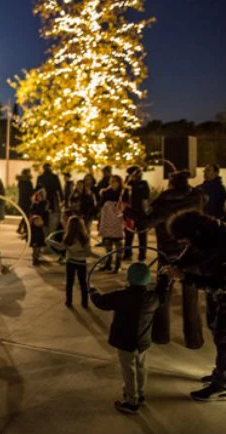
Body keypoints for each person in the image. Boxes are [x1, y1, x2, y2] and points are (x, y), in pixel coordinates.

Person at [130, 170, 206, 347]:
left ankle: (161, 336)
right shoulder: (197, 197)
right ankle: (194, 340)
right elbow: (205, 199)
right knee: (191, 298)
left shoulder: (164, 203)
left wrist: (128, 211)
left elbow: (144, 224)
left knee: (163, 295)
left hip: (168, 254)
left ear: (171, 184)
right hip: (192, 252)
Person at [90, 262, 170, 414]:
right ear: (147, 279)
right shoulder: (152, 298)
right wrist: (165, 276)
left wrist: (93, 291)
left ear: (128, 278)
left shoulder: (121, 296)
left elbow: (101, 302)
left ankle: (131, 401)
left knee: (128, 370)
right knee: (141, 367)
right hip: (143, 341)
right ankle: (140, 394)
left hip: (125, 341)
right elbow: (162, 291)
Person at [166, 210, 226, 401]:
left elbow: (220, 282)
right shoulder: (205, 235)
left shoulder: (221, 243)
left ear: (195, 234)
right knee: (217, 331)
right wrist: (177, 264)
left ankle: (222, 384)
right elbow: (190, 252)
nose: (183, 244)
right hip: (218, 296)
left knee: (225, 338)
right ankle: (222, 373)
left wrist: (185, 277)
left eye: (185, 240)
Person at [48, 216, 92, 308]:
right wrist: (80, 253)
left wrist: (50, 242)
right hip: (80, 262)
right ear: (81, 225)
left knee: (70, 282)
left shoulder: (69, 237)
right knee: (82, 283)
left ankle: (69, 301)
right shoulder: (84, 238)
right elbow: (88, 253)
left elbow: (61, 247)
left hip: (71, 261)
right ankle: (84, 303)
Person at [98, 175, 127, 273]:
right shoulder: (106, 192)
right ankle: (108, 262)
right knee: (108, 242)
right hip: (108, 219)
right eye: (112, 181)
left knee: (118, 242)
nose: (113, 183)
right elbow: (101, 205)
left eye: (115, 181)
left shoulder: (123, 192)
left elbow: (126, 205)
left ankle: (118, 264)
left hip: (118, 219)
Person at [124, 167, 149, 262]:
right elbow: (124, 198)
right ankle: (127, 253)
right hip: (130, 212)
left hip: (141, 212)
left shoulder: (143, 184)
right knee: (128, 234)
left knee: (142, 235)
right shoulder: (128, 184)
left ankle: (142, 255)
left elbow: (146, 197)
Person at [36, 163, 63, 232]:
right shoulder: (52, 177)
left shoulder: (42, 177)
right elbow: (59, 188)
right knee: (49, 214)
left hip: (49, 198)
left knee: (49, 214)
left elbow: (59, 188)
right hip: (48, 198)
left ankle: (48, 228)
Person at [16, 168, 34, 235]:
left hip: (21, 201)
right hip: (27, 202)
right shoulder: (28, 182)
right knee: (26, 216)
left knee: (25, 216)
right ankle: (23, 229)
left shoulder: (20, 182)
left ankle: (22, 229)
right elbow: (30, 192)